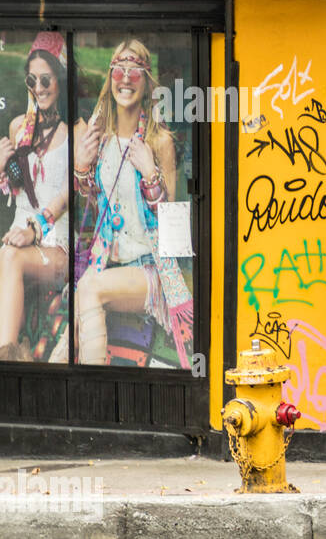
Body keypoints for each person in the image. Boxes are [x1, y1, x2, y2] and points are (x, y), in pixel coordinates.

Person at [71, 39, 193, 367]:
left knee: (89, 289)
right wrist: (82, 165)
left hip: (148, 269)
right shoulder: (101, 138)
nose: (125, 78)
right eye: (119, 70)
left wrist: (150, 173)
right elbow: (92, 208)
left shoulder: (159, 142)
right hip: (107, 264)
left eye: (135, 71)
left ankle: (91, 387)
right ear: (109, 77)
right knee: (63, 346)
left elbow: (174, 227)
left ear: (147, 81)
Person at [0, 33, 73, 361]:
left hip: (54, 247)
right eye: (32, 79)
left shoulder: (75, 133)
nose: (39, 87)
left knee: (11, 257)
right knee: (10, 256)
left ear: (59, 79)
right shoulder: (19, 128)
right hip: (17, 242)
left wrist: (34, 230)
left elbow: (67, 197)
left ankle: (8, 362)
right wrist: (3, 166)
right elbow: (15, 189)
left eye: (46, 79)